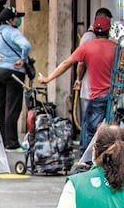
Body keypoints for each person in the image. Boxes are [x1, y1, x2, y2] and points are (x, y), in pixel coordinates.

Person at [39, 14, 117, 156]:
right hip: (114, 98)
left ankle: (85, 161)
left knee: (88, 130)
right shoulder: (116, 48)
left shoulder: (87, 47)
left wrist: (48, 78)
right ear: (109, 30)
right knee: (113, 131)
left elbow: (66, 64)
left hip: (97, 97)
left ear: (93, 29)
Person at [0, 7, 31, 150]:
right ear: (10, 20)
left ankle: (0, 139)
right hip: (14, 71)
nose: (18, 20)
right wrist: (23, 58)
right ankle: (11, 142)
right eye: (16, 18)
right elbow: (26, 45)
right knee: (13, 107)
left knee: (1, 106)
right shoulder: (13, 32)